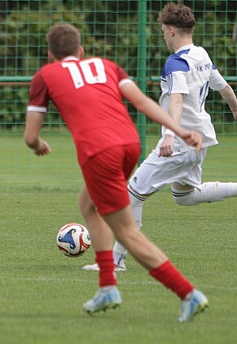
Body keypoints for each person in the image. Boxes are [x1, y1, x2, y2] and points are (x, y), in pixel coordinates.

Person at [25, 22, 209, 322]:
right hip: (129, 145)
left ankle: (188, 293)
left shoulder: (45, 75)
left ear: (50, 55)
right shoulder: (106, 66)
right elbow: (141, 102)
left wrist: (38, 146)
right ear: (81, 51)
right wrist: (178, 131)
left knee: (126, 231)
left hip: (100, 153)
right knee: (88, 204)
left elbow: (30, 137)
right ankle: (107, 286)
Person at [83, 2, 237, 273]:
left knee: (131, 194)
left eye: (163, 32)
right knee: (184, 195)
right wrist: (235, 107)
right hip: (200, 140)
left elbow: (177, 100)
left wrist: (169, 136)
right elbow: (223, 86)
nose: (163, 37)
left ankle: (115, 262)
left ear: (172, 30)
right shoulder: (201, 55)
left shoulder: (176, 62)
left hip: (181, 142)